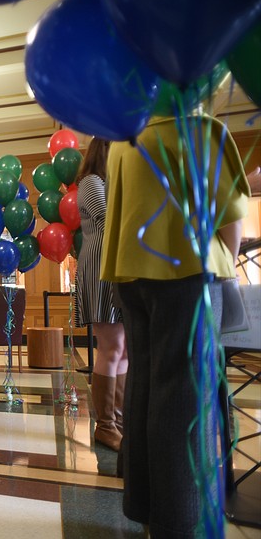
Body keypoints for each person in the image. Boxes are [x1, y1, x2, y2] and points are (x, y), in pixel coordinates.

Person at [101, 116, 249, 536]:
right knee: (187, 399)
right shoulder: (199, 128)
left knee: (145, 388)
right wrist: (224, 269)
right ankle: (179, 521)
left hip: (129, 274)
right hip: (189, 268)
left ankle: (146, 508)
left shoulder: (122, 136)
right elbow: (230, 216)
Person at [73, 138, 127, 452]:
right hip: (101, 268)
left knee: (126, 348)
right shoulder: (92, 181)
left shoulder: (111, 181)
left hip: (119, 265)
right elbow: (109, 225)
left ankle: (118, 420)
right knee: (113, 345)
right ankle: (106, 426)